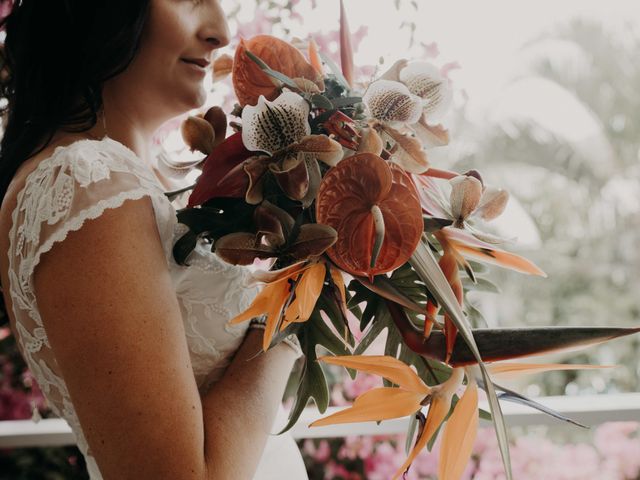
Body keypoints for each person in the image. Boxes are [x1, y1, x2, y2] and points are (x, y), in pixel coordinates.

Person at [0, 1, 308, 478]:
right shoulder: (85, 180)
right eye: (191, 0)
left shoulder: (118, 183)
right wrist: (294, 316)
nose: (221, 33)